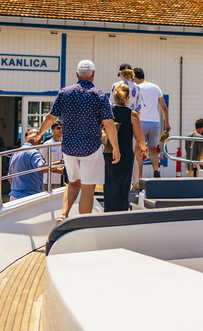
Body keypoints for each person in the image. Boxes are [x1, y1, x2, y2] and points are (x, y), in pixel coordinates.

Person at [35, 60, 120, 221]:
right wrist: (115, 147)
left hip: (69, 148)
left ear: (76, 74)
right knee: (87, 189)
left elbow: (50, 118)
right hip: (91, 148)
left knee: (73, 183)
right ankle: (82, 225)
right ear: (93, 74)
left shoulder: (64, 93)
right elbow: (109, 124)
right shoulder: (100, 95)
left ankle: (63, 215)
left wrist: (39, 134)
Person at [104, 84, 147, 212]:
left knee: (110, 183)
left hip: (109, 152)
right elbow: (140, 139)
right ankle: (121, 212)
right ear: (128, 97)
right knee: (123, 184)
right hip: (126, 154)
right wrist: (144, 150)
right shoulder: (132, 114)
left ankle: (108, 211)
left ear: (114, 96)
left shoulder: (108, 111)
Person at [133, 67, 170, 180]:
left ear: (135, 77)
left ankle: (139, 179)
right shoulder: (156, 87)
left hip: (141, 122)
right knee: (153, 149)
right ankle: (156, 170)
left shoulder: (137, 88)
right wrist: (167, 124)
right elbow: (163, 107)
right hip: (155, 123)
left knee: (139, 150)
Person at [8, 129, 62, 201]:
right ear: (39, 140)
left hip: (14, 195)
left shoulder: (16, 153)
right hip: (29, 196)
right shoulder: (33, 152)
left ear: (26, 139)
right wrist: (61, 162)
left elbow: (9, 177)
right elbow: (43, 168)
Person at [42, 120, 64, 188]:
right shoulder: (47, 144)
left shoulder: (66, 144)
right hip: (49, 181)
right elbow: (42, 164)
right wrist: (59, 170)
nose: (61, 130)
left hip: (64, 181)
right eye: (58, 128)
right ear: (52, 131)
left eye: (63, 128)